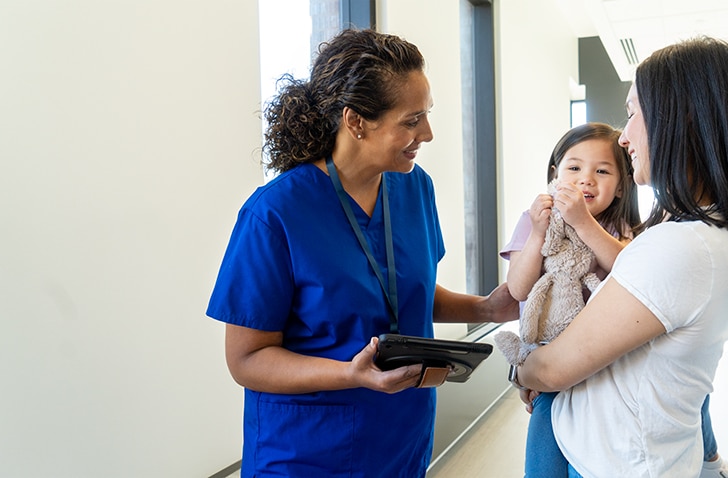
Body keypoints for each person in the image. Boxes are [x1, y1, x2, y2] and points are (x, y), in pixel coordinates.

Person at [205, 28, 518, 477]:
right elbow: (247, 359)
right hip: (307, 453)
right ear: (355, 121)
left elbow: (407, 292)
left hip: (401, 440)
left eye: (426, 115)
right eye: (411, 120)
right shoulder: (275, 214)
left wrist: (487, 308)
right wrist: (351, 374)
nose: (427, 133)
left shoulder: (414, 188)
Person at [512, 36, 728, 477]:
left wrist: (525, 372)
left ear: (683, 120)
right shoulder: (694, 235)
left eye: (635, 113)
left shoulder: (679, 247)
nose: (624, 135)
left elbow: (556, 369)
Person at [500, 122, 641, 477]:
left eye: (602, 171)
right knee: (544, 452)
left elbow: (628, 271)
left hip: (600, 364)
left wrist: (583, 223)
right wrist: (537, 232)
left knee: (592, 454)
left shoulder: (621, 229)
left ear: (622, 186)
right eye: (574, 168)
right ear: (554, 175)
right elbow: (518, 289)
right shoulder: (533, 220)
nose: (586, 180)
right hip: (547, 355)